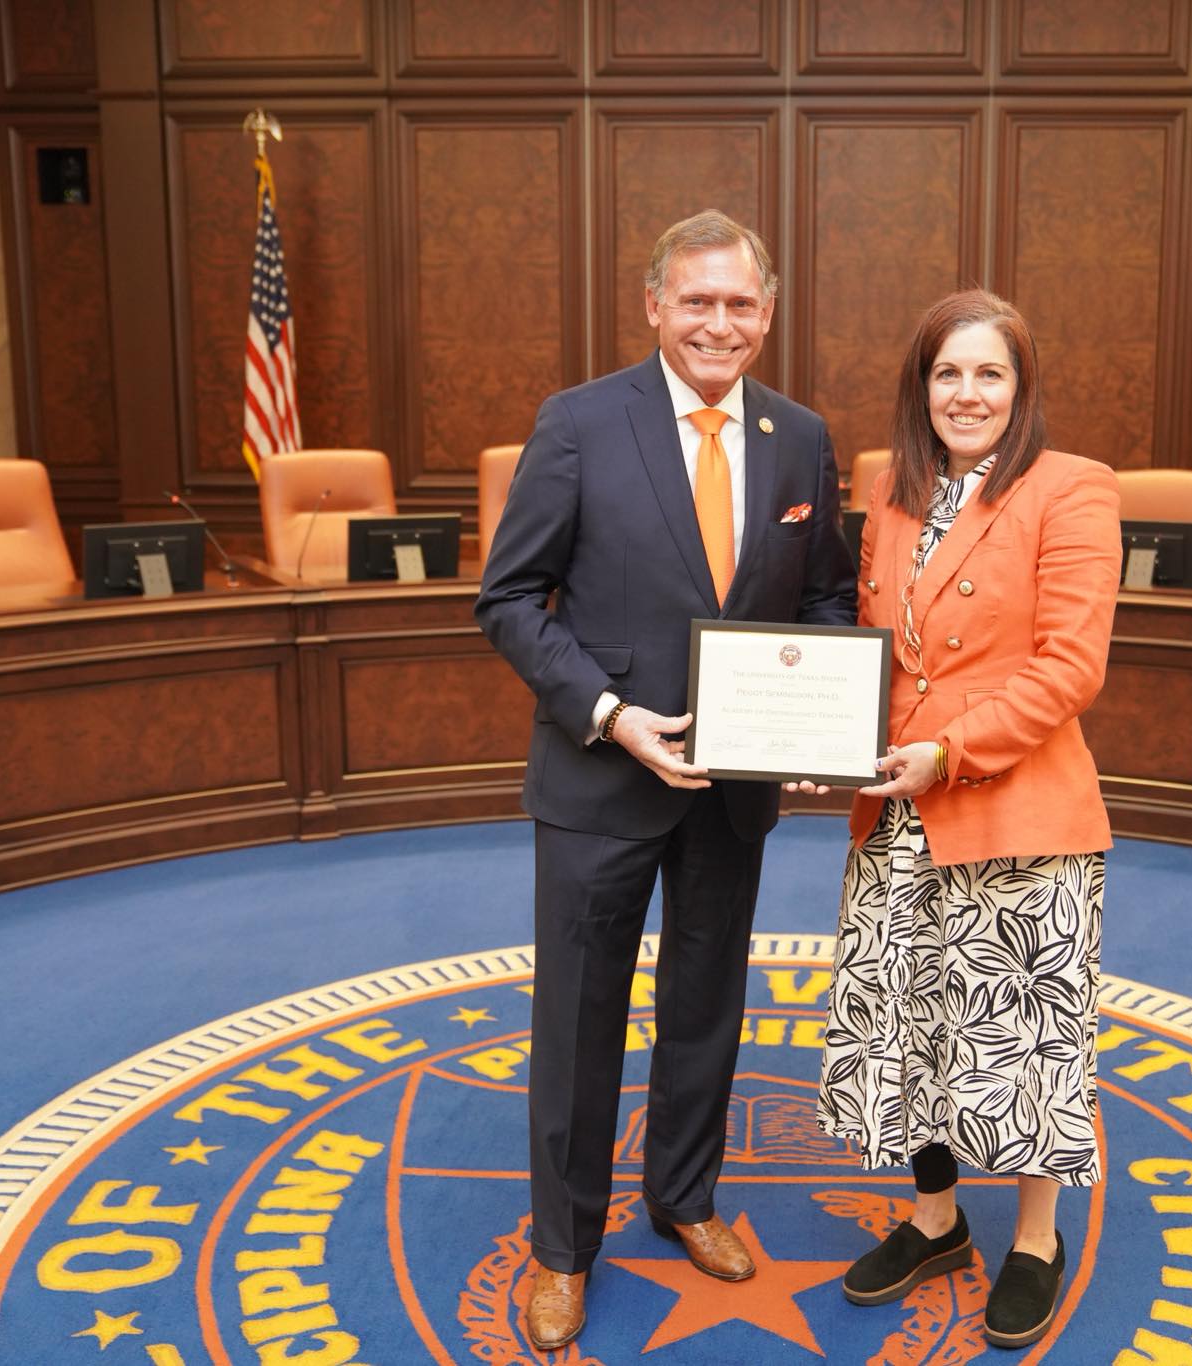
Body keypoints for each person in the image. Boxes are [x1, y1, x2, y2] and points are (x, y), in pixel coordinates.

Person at [475, 210, 857, 1351]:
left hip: (734, 790)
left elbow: (825, 596)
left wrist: (820, 711)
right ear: (652, 305)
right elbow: (506, 599)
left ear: (767, 314)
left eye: (739, 304)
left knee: (704, 1006)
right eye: (696, 301)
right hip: (600, 777)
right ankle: (563, 1249)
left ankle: (682, 1196)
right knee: (580, 1019)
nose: (717, 323)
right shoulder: (579, 423)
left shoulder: (800, 438)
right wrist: (606, 712)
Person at [811, 289, 1120, 1348]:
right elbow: (874, 652)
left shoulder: (1071, 489)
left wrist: (948, 751)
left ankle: (1035, 1238)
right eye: (947, 372)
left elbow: (1069, 667)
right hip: (896, 814)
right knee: (910, 1031)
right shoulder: (893, 495)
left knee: (1020, 1042)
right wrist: (825, 743)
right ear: (920, 386)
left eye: (989, 373)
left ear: (1021, 387)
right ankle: (934, 1220)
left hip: (1012, 815)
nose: (966, 392)